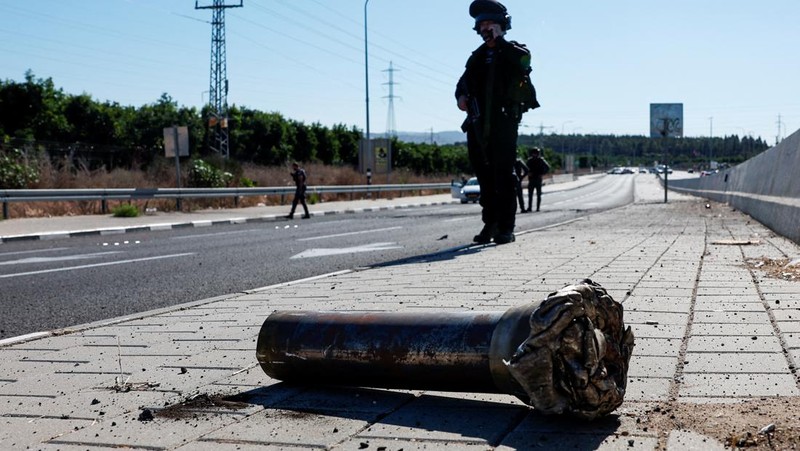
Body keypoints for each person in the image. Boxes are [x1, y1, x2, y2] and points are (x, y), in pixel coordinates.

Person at [456, 0, 539, 245]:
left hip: (504, 124)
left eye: (490, 24)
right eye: (482, 25)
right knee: (485, 178)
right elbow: (462, 83)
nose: (486, 29)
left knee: (503, 176)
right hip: (478, 125)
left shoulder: (514, 50)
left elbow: (524, 62)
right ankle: (489, 224)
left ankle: (506, 228)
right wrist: (461, 96)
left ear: (502, 25)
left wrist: (499, 41)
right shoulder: (477, 58)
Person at [525, 147, 550, 212]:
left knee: (538, 194)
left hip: (538, 179)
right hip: (532, 179)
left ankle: (538, 207)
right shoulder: (530, 160)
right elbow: (525, 168)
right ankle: (530, 207)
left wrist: (542, 173)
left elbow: (547, 167)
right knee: (530, 194)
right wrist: (528, 173)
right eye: (535, 153)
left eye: (536, 153)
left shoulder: (541, 160)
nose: (536, 154)